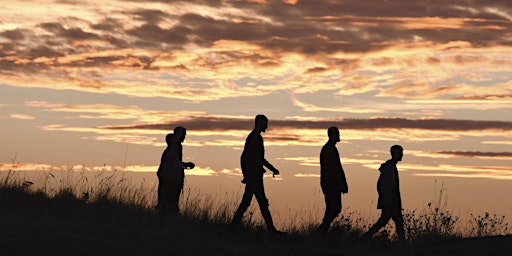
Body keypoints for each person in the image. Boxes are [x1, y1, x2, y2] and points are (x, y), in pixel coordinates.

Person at [230, 114, 282, 234]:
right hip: (254, 178)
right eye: (265, 124)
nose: (267, 126)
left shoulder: (255, 137)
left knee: (254, 203)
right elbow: (246, 158)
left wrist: (272, 169)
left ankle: (233, 228)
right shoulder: (254, 138)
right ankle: (271, 230)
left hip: (255, 177)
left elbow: (258, 159)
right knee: (260, 203)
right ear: (259, 123)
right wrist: (247, 176)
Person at [362, 145, 405, 242]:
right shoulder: (389, 168)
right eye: (400, 153)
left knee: (388, 222)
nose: (402, 155)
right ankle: (403, 244)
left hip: (391, 201)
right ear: (395, 154)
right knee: (395, 222)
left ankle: (365, 238)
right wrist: (387, 199)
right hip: (390, 202)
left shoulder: (391, 167)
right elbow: (381, 185)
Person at [156, 126, 195, 216]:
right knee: (168, 201)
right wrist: (183, 165)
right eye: (183, 135)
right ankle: (166, 219)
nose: (184, 137)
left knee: (167, 201)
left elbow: (174, 161)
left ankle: (164, 218)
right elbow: (172, 161)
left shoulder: (175, 147)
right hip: (170, 178)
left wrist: (184, 165)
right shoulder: (174, 146)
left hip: (170, 177)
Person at [317, 126, 348, 233]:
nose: (339, 135)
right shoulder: (329, 149)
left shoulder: (330, 149)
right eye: (337, 133)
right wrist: (340, 184)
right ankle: (321, 230)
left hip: (332, 184)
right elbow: (333, 169)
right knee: (334, 208)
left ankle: (322, 230)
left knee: (334, 208)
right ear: (332, 135)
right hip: (331, 184)